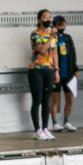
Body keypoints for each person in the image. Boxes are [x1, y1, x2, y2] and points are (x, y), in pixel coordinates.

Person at [28, 9, 59, 141]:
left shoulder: (54, 36)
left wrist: (56, 70)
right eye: (45, 17)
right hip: (36, 69)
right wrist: (51, 36)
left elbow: (54, 53)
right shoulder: (35, 34)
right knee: (37, 100)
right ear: (39, 20)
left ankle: (46, 128)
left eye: (49, 17)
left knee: (47, 100)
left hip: (49, 70)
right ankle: (37, 130)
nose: (48, 19)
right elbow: (41, 49)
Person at [50, 16, 80, 133]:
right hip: (56, 73)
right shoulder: (52, 37)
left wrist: (76, 69)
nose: (61, 27)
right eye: (59, 25)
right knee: (55, 100)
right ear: (54, 26)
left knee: (70, 99)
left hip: (69, 73)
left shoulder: (68, 38)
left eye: (63, 25)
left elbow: (73, 53)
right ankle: (54, 123)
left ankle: (66, 121)